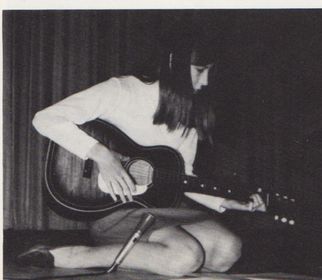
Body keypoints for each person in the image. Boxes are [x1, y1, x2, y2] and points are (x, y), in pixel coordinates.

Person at [17, 33, 266, 277]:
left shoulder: (188, 113)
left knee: (227, 251)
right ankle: (72, 255)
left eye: (209, 71)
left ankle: (143, 255)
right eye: (200, 70)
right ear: (173, 63)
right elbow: (46, 118)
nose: (205, 82)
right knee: (184, 259)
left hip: (159, 209)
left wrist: (222, 202)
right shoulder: (123, 90)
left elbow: (181, 177)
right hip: (115, 210)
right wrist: (102, 155)